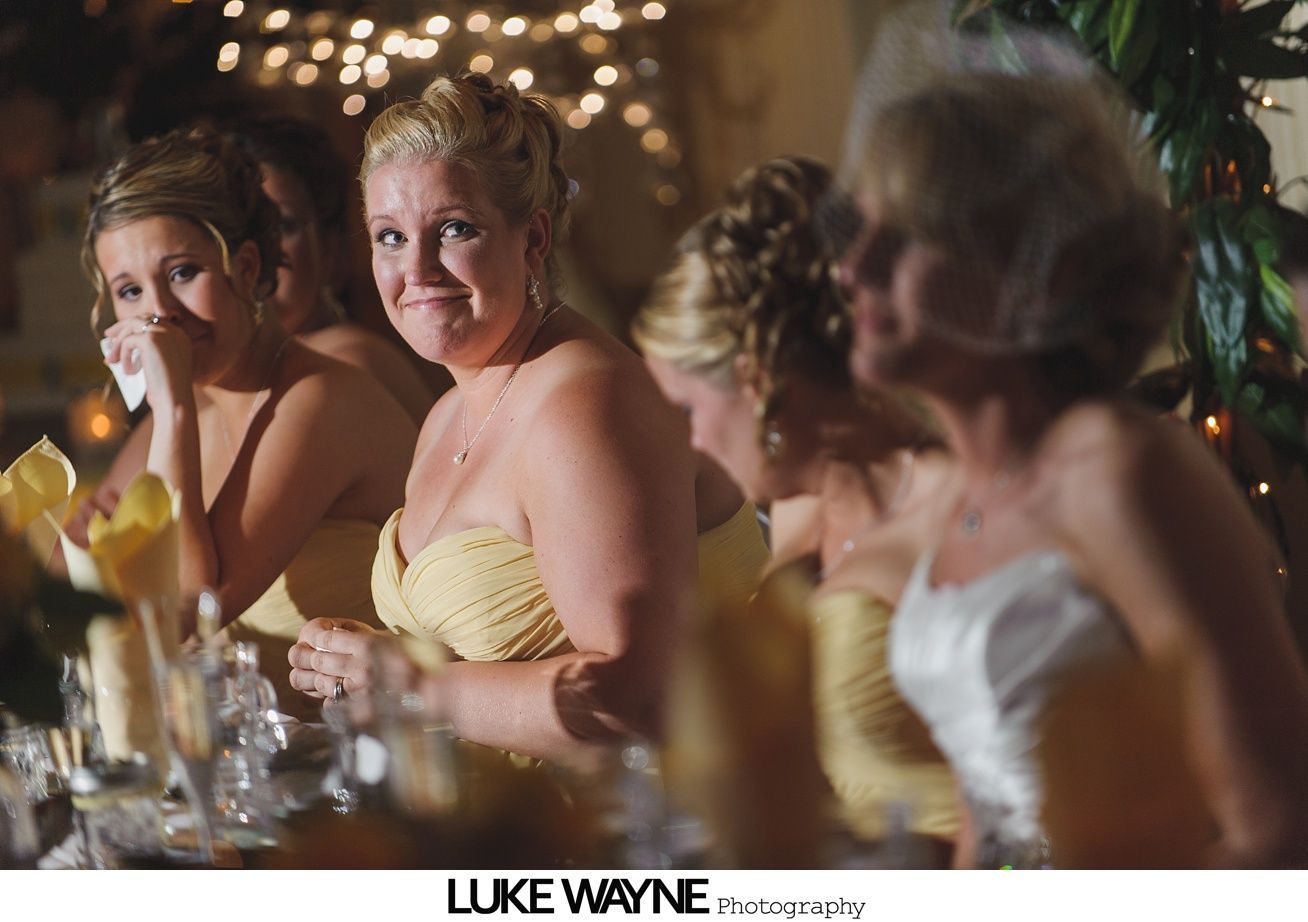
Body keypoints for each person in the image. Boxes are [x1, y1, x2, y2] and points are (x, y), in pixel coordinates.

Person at [839, 35, 1308, 866]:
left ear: (1025, 264)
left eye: (905, 233)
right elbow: (990, 814)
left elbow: (1279, 826)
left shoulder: (1119, 471)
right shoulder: (959, 496)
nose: (853, 264)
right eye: (858, 225)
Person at [287, 74, 767, 763]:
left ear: (533, 238)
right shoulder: (451, 410)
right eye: (389, 237)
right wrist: (358, 664)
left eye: (453, 229)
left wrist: (405, 681)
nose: (416, 269)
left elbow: (638, 703)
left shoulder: (586, 404)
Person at [633, 156, 957, 856]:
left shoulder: (953, 501)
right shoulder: (797, 509)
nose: (686, 441)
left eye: (687, 408)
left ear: (755, 382)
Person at [82, 127, 416, 716]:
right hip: (260, 767)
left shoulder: (317, 399)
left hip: (376, 765)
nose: (158, 314)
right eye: (130, 290)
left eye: (183, 273)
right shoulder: (192, 413)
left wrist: (173, 409)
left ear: (246, 266)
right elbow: (75, 590)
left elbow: (189, 608)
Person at [228, 115, 436, 423]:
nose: (253, 255)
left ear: (327, 247)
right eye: (234, 231)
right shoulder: (249, 370)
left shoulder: (349, 359)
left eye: (279, 227)